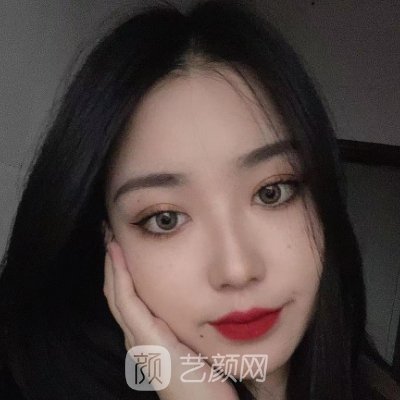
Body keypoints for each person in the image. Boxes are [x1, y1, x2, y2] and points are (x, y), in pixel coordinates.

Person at [0, 1, 398, 399]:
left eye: (272, 192)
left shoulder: (376, 386)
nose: (237, 269)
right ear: (105, 240)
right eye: (165, 218)